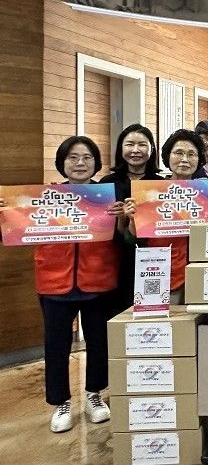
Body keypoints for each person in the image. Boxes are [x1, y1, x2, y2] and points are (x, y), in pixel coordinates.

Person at [0, 136, 121, 433]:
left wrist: (122, 217)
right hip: (54, 281)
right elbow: (12, 233)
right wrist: (4, 212)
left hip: (98, 280)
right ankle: (61, 402)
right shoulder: (42, 198)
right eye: (73, 158)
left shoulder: (107, 198)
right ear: (62, 163)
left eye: (87, 157)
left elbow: (125, 236)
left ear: (96, 163)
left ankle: (94, 394)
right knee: (56, 346)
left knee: (99, 342)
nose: (80, 163)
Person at [123, 129, 208, 304]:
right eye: (178, 153)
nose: (184, 159)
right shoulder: (150, 192)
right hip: (161, 271)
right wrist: (132, 219)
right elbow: (132, 238)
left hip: (202, 272)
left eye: (191, 154)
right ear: (168, 157)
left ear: (199, 159)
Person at [100, 124, 163, 315]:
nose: (135, 150)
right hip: (115, 263)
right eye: (129, 144)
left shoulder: (161, 184)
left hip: (152, 261)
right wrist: (119, 218)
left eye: (142, 144)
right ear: (121, 148)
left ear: (151, 149)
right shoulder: (106, 183)